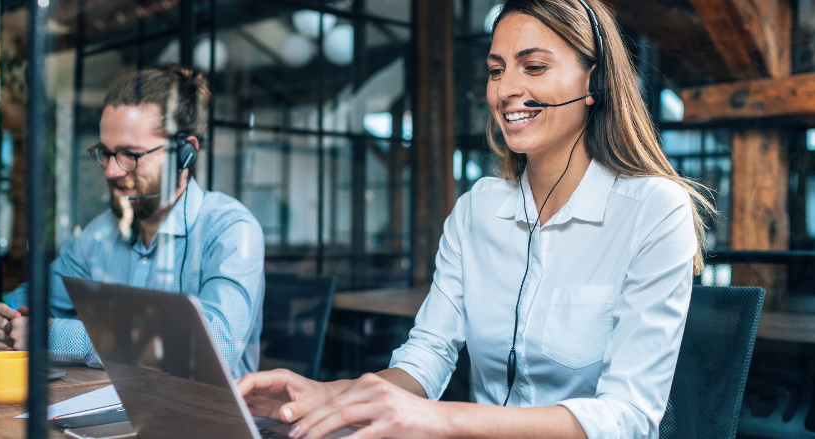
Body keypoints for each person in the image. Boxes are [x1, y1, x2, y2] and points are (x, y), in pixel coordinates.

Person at [236, 0, 715, 437]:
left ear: (595, 82)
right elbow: (428, 355)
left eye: (534, 67)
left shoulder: (654, 209)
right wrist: (333, 394)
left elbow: (627, 416)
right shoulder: (476, 209)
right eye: (495, 70)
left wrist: (440, 419)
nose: (506, 90)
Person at [0, 66, 266, 378]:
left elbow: (213, 349)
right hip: (113, 411)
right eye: (106, 153)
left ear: (185, 154)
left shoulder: (230, 230)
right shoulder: (101, 233)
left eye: (131, 155)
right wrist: (2, 318)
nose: (111, 171)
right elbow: (33, 300)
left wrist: (54, 336)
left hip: (207, 420)